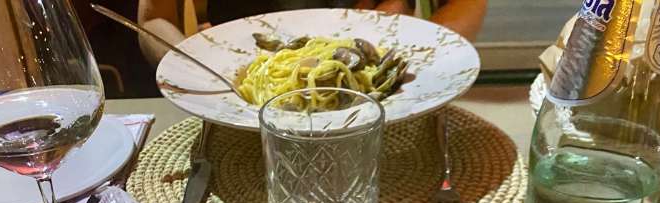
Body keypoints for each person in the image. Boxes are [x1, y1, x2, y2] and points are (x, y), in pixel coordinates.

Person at [138, 0, 488, 67]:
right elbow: (153, 19)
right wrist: (198, 63)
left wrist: (415, 62)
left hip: (373, 88)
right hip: (250, 90)